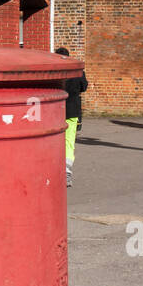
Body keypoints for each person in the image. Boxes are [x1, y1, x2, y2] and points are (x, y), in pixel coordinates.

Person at [57, 47, 88, 188]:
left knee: (55, 141)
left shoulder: (54, 70)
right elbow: (84, 87)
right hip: (72, 110)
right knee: (69, 142)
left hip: (55, 111)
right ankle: (67, 172)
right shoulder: (77, 71)